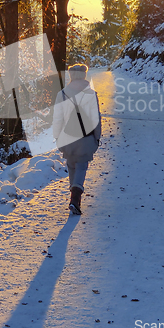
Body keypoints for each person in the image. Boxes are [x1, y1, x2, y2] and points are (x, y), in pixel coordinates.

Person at [52, 64, 101, 215]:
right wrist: (97, 138)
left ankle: (75, 198)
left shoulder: (62, 94)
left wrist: (57, 136)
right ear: (84, 76)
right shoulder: (91, 94)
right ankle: (75, 198)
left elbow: (57, 118)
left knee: (72, 165)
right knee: (81, 167)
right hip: (85, 138)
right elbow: (96, 119)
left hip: (67, 138)